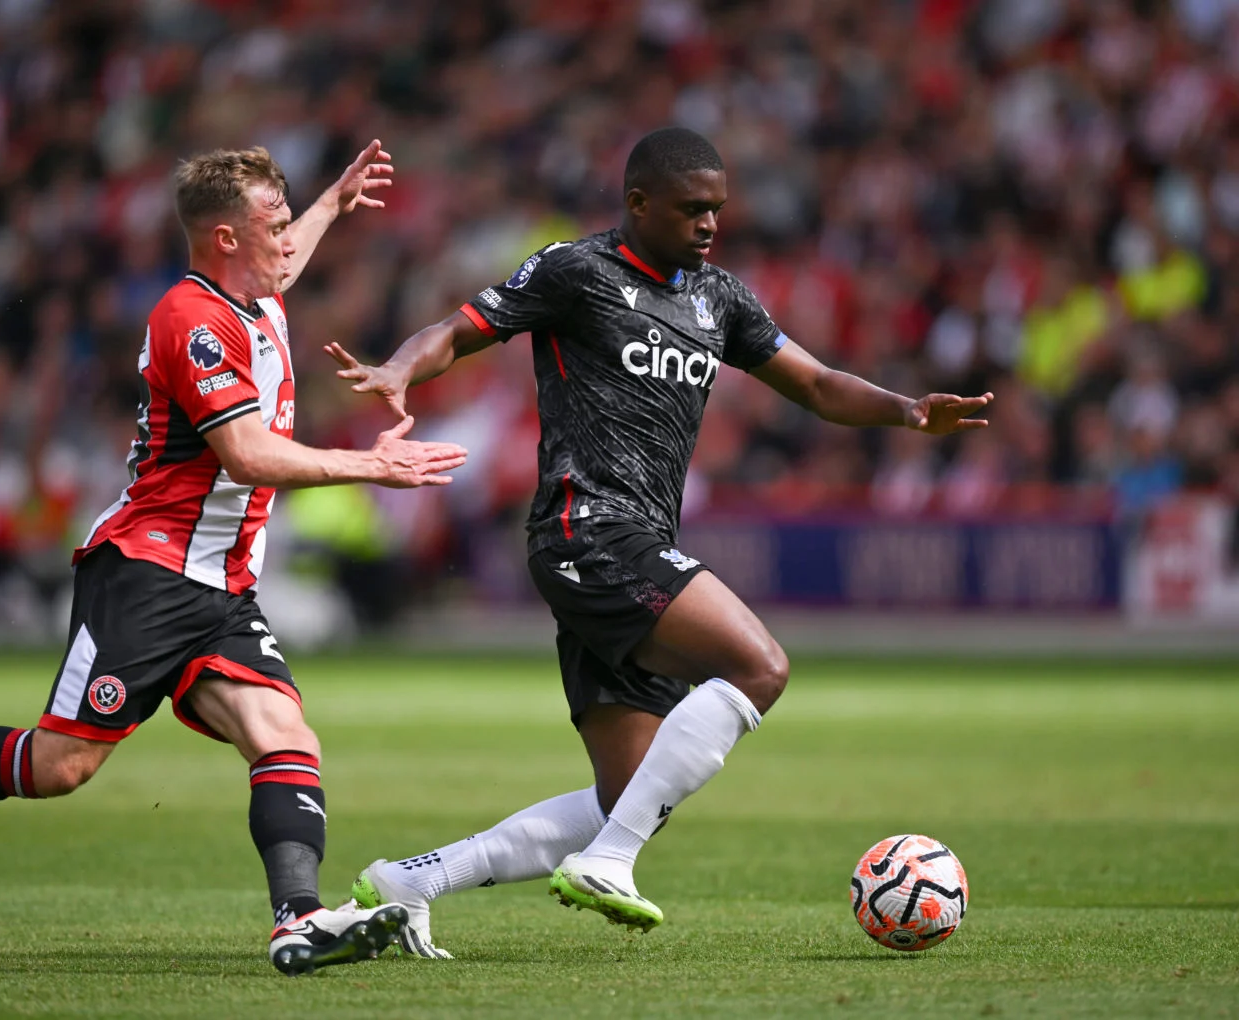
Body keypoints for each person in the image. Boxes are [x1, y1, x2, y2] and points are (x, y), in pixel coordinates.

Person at [0, 141, 470, 976]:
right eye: (275, 223)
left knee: (282, 731)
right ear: (224, 238)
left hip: (223, 586)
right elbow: (248, 456)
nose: (289, 240)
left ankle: (298, 921)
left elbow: (292, 259)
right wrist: (371, 465)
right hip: (147, 573)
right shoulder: (191, 321)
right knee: (61, 766)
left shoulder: (258, 287)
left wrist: (334, 199)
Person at [327, 127, 991, 956]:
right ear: (638, 203)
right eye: (691, 209)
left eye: (717, 208)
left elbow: (817, 385)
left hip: (633, 536)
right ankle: (610, 863)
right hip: (587, 523)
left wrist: (907, 409)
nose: (709, 224)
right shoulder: (577, 271)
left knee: (627, 791)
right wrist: (397, 369)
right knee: (760, 667)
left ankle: (413, 880)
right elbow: (462, 329)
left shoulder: (722, 300)